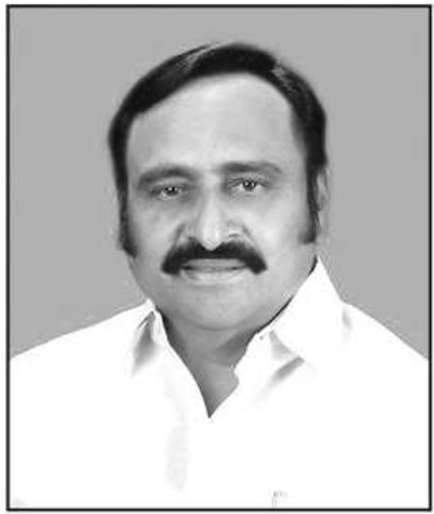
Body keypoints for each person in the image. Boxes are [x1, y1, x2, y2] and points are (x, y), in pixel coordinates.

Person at [11, 42, 428, 508]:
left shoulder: (414, 416)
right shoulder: (26, 402)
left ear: (318, 199)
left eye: (248, 185)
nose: (209, 234)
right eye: (170, 190)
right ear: (123, 212)